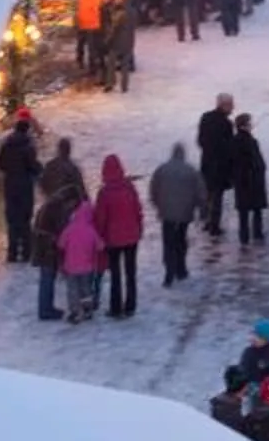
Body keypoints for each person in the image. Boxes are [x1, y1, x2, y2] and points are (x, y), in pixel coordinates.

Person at [93, 153, 146, 318]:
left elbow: (100, 218)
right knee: (131, 272)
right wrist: (139, 228)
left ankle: (116, 307)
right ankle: (131, 305)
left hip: (112, 238)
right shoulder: (129, 188)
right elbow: (138, 210)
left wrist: (99, 236)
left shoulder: (104, 193)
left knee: (115, 273)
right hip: (131, 237)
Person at [148, 143, 205, 287]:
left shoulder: (162, 169)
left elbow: (153, 189)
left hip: (167, 213)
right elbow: (200, 192)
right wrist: (201, 209)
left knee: (168, 242)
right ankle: (181, 268)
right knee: (181, 239)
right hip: (185, 213)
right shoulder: (191, 170)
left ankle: (169, 272)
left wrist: (158, 205)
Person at [0, 111, 42, 266]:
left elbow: (0, 165)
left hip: (10, 185)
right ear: (26, 130)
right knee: (25, 218)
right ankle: (26, 252)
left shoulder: (6, 145)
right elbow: (34, 167)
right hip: (25, 186)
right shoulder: (28, 147)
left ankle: (12, 252)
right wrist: (39, 169)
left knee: (12, 219)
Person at [194, 96, 237, 237]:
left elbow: (200, 140)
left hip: (206, 163)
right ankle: (214, 226)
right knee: (217, 197)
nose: (233, 108)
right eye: (231, 105)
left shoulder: (205, 117)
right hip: (220, 166)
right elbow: (229, 147)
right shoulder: (226, 123)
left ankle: (207, 221)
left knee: (208, 194)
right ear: (224, 105)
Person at [58, 198, 105, 323]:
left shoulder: (69, 229)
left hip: (71, 266)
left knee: (72, 289)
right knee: (86, 289)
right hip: (87, 267)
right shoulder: (91, 230)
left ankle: (75, 311)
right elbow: (100, 246)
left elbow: (61, 244)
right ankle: (87, 309)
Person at [33, 184, 76, 322]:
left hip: (42, 245)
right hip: (47, 248)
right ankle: (46, 310)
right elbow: (61, 229)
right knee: (47, 278)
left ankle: (46, 308)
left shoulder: (52, 203)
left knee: (47, 278)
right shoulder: (57, 208)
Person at [229, 112, 269, 244]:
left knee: (244, 212)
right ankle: (256, 234)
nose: (251, 125)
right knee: (256, 210)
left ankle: (244, 237)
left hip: (242, 182)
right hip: (252, 180)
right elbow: (254, 161)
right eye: (249, 123)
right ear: (244, 125)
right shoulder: (249, 141)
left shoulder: (235, 141)